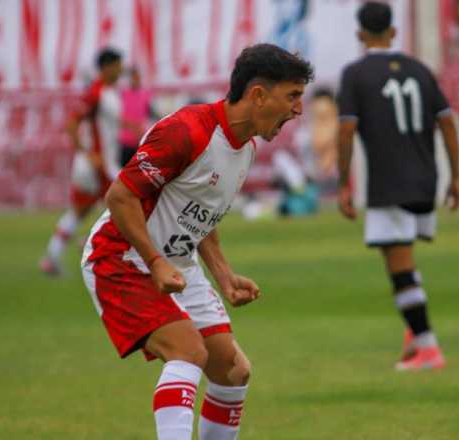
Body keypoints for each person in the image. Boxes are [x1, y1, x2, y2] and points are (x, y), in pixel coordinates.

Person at [80, 44, 312, 440]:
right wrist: (154, 261)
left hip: (175, 264)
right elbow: (120, 196)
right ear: (258, 95)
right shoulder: (187, 130)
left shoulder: (246, 148)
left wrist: (223, 275)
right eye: (292, 96)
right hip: (121, 257)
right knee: (188, 352)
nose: (298, 110)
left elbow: (200, 213)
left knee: (233, 371)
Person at [336, 2, 459, 371]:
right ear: (393, 32)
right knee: (404, 256)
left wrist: (344, 183)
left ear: (360, 34)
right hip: (426, 178)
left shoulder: (355, 74)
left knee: (399, 266)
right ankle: (413, 333)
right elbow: (448, 123)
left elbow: (346, 130)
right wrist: (457, 177)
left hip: (389, 183)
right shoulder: (420, 69)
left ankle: (428, 348)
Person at [40, 48, 123, 276]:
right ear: (107, 67)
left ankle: (53, 257)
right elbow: (72, 124)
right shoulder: (95, 92)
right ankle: (93, 244)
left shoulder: (108, 92)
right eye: (118, 65)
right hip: (99, 167)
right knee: (128, 205)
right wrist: (88, 153)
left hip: (101, 164)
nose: (121, 69)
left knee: (80, 212)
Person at [118, 67, 155, 166]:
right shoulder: (122, 94)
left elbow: (150, 114)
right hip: (125, 141)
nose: (136, 79)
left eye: (137, 77)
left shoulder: (146, 94)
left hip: (139, 141)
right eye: (133, 77)